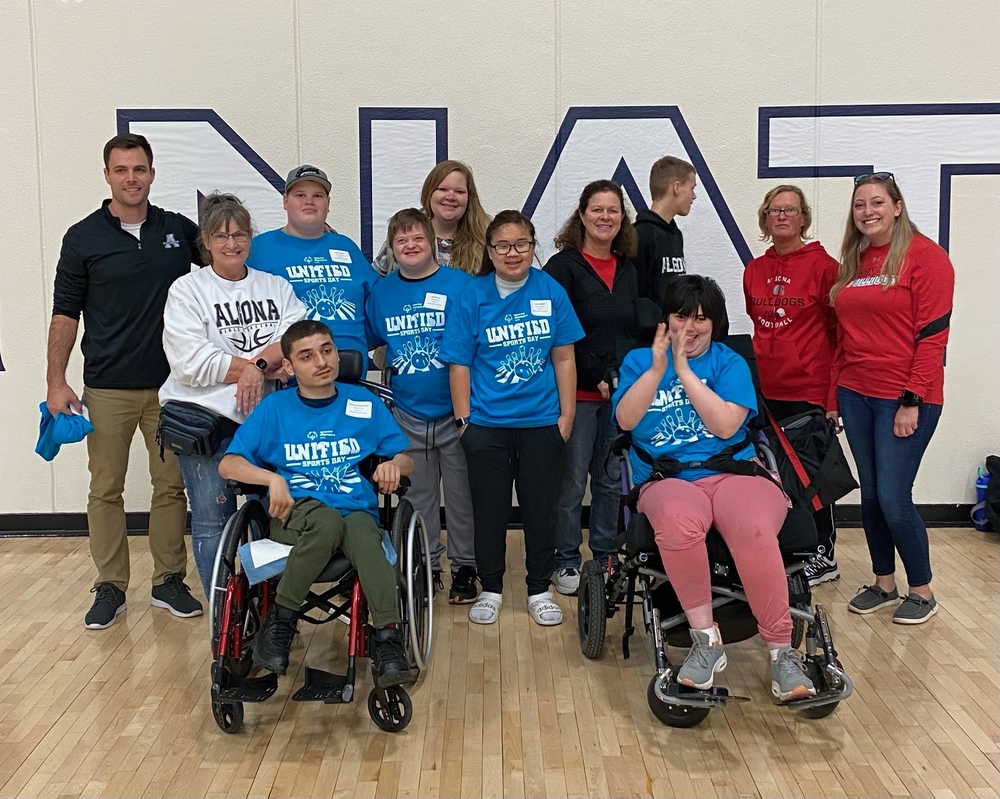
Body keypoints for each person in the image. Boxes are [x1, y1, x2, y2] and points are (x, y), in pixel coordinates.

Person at [612, 275, 816, 701]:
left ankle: (782, 653)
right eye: (681, 316)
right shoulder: (637, 361)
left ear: (715, 323)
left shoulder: (729, 363)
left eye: (701, 319)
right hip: (667, 478)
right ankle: (706, 641)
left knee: (752, 526)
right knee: (678, 521)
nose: (691, 326)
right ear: (665, 321)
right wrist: (658, 369)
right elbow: (626, 421)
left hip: (735, 473)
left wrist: (684, 372)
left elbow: (724, 425)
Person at [46, 133, 205, 630]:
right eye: (122, 170)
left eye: (140, 169)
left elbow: (223, 280)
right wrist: (56, 381)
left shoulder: (180, 231)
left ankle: (168, 581)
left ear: (153, 173)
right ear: (108, 175)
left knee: (170, 487)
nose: (131, 178)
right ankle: (111, 585)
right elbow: (65, 314)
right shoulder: (83, 237)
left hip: (172, 388)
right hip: (107, 387)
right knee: (106, 489)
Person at [219, 320, 415, 686]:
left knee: (360, 530)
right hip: (295, 514)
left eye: (327, 350)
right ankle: (281, 620)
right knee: (326, 522)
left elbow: (406, 459)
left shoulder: (363, 403)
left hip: (354, 510)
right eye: (307, 356)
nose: (321, 361)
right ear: (290, 367)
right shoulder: (275, 408)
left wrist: (392, 465)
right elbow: (229, 463)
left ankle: (387, 637)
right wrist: (272, 479)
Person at [441, 210, 584, 626]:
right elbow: (459, 364)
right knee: (489, 510)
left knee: (541, 509)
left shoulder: (551, 291)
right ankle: (491, 588)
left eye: (522, 244)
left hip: (542, 422)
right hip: (486, 426)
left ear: (533, 245)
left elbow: (564, 357)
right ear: (489, 250)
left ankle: (539, 588)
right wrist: (465, 422)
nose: (513, 252)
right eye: (503, 245)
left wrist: (567, 414)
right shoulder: (473, 294)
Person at [160, 193, 306, 594]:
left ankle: (267, 610)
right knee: (212, 519)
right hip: (205, 420)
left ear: (249, 239)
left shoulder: (274, 286)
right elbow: (189, 362)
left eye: (239, 234)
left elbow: (295, 340)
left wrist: (254, 369)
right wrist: (257, 368)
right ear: (206, 241)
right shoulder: (187, 290)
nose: (231, 243)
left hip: (266, 423)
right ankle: (223, 618)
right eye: (221, 235)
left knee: (273, 515)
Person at [831, 172, 954, 625]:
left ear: (897, 206)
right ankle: (884, 583)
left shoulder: (926, 257)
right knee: (870, 496)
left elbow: (933, 337)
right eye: (860, 204)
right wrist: (834, 397)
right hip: (855, 393)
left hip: (902, 396)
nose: (868, 212)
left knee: (893, 497)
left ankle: (921, 590)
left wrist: (912, 400)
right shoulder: (857, 259)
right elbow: (843, 340)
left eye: (877, 202)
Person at [366, 208, 479, 603]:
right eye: (402, 241)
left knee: (464, 495)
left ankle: (466, 566)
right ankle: (427, 565)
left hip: (457, 412)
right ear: (392, 249)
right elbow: (370, 342)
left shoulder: (461, 285)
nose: (410, 246)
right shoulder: (381, 293)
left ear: (432, 241)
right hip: (408, 412)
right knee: (420, 495)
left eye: (417, 238)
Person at [543, 180, 639, 595]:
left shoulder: (629, 268)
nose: (605, 217)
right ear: (581, 215)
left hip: (618, 396)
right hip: (577, 395)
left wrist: (617, 377)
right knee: (569, 482)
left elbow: (634, 330)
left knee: (608, 480)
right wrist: (596, 374)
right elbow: (558, 334)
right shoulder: (561, 268)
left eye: (613, 210)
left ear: (623, 219)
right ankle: (565, 558)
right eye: (596, 209)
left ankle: (603, 554)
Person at [743, 185, 841, 586]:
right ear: (765, 219)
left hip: (809, 390)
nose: (781, 216)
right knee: (776, 476)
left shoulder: (825, 267)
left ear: (804, 218)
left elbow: (840, 336)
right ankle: (790, 549)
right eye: (774, 210)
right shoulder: (753, 269)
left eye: (790, 210)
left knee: (812, 476)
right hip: (766, 392)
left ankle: (824, 553)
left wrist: (833, 398)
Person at [247, 165, 378, 359]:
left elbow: (377, 304)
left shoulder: (345, 246)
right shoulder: (258, 249)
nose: (309, 201)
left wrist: (355, 341)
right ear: (285, 201)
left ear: (328, 203)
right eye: (300, 195)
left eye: (318, 196)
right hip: (289, 375)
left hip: (351, 371)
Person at [373, 160, 490, 277]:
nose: (450, 197)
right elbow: (373, 280)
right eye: (443, 189)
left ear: (469, 198)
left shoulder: (488, 234)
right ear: (429, 193)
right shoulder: (404, 229)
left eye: (459, 191)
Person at [634, 156, 696, 305]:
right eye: (692, 188)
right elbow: (634, 295)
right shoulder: (640, 235)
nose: (694, 196)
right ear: (676, 187)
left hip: (675, 326)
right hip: (651, 327)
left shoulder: (676, 234)